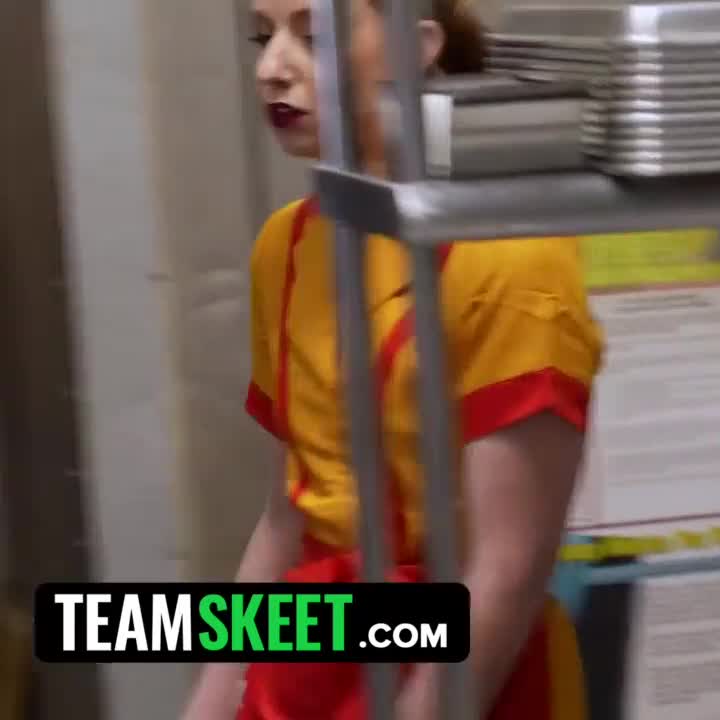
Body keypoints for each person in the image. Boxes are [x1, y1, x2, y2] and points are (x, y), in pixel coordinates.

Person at [181, 0, 603, 717]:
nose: (271, 69)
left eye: (313, 37)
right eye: (262, 37)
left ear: (417, 46)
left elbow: (506, 571)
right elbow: (291, 509)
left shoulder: (509, 258)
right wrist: (212, 701)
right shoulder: (288, 247)